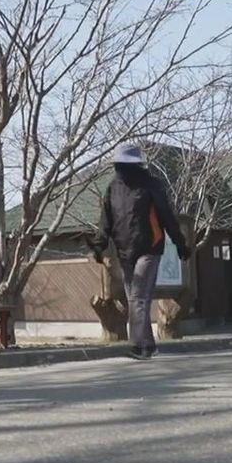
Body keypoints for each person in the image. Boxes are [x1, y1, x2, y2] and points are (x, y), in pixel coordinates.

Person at [90, 144, 192, 360]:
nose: (120, 169)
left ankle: (139, 346)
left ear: (136, 165)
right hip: (124, 250)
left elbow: (166, 216)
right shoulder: (113, 188)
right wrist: (99, 245)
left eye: (124, 165)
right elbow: (105, 220)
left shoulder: (151, 185)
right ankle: (149, 345)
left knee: (137, 298)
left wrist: (180, 243)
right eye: (118, 165)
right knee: (135, 299)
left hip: (149, 248)